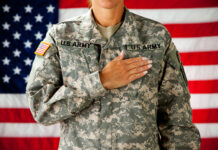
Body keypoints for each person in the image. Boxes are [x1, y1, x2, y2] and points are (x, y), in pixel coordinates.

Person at [26, 0, 201, 149]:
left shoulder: (156, 37)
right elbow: (40, 107)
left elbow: (177, 121)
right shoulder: (61, 37)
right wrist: (100, 81)